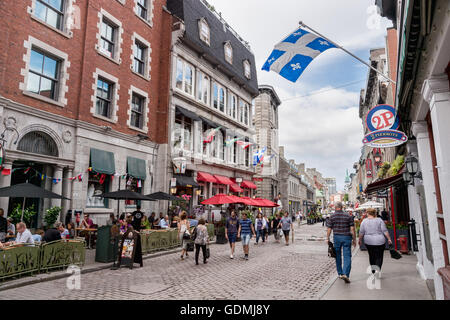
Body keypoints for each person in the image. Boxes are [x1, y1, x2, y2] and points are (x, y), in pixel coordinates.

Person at [326, 201, 356, 284]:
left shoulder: (332, 217)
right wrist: (354, 240)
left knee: (337, 256)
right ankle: (346, 274)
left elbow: (329, 229)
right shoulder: (348, 216)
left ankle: (340, 273)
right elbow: (352, 229)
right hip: (347, 237)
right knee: (347, 256)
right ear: (342, 207)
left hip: (337, 238)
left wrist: (327, 238)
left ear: (335, 207)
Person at [359, 208, 392, 275]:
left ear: (367, 213)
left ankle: (373, 270)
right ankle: (378, 269)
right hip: (380, 241)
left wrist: (360, 240)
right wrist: (389, 239)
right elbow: (384, 230)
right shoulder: (380, 220)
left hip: (369, 242)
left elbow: (361, 232)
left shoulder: (364, 221)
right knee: (379, 256)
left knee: (371, 256)